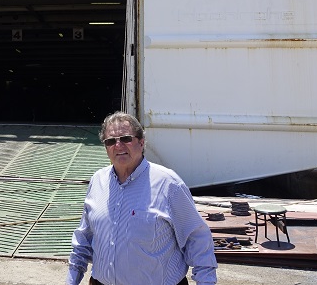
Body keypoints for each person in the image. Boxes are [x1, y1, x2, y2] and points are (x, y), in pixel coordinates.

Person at [67, 112, 217, 285]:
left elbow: (197, 239)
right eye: (111, 141)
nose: (118, 145)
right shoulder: (97, 181)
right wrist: (72, 280)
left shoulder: (169, 184)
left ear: (141, 142)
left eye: (126, 139)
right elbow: (83, 239)